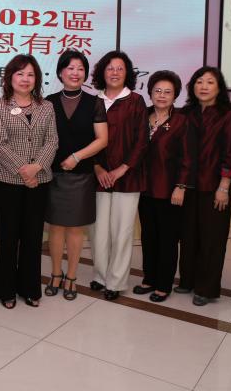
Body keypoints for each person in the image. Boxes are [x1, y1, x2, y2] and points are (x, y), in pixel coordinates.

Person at [0, 54, 57, 309]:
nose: (25, 79)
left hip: (39, 180)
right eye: (20, 74)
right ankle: (5, 289)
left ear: (37, 78)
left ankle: (30, 288)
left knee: (33, 236)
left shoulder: (46, 106)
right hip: (8, 180)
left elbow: (52, 141)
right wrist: (23, 171)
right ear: (10, 78)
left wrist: (36, 167)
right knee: (7, 237)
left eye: (30, 74)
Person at [43, 51, 107, 301]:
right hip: (54, 175)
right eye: (70, 68)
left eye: (80, 68)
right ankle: (55, 274)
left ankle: (71, 276)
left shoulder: (94, 102)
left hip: (81, 175)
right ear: (60, 72)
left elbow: (102, 140)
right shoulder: (48, 102)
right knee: (55, 228)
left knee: (75, 229)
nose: (75, 73)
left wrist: (77, 157)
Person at [176, 66, 231, 306]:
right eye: (199, 81)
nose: (203, 86)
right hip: (188, 185)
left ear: (219, 88)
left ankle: (206, 288)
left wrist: (224, 186)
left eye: (210, 82)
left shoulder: (228, 115)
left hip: (214, 186)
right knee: (189, 235)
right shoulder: (186, 113)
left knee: (212, 238)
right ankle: (188, 280)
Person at [90, 50, 148, 301]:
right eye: (110, 68)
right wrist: (98, 168)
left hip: (128, 177)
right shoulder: (94, 101)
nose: (114, 72)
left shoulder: (136, 101)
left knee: (122, 232)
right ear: (102, 72)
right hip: (99, 177)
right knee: (98, 231)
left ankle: (115, 281)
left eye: (120, 68)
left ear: (127, 73)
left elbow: (141, 140)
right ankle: (100, 275)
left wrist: (122, 168)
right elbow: (86, 139)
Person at [133, 70, 194, 303]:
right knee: (148, 235)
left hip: (169, 189)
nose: (161, 95)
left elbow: (188, 157)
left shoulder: (181, 121)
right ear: (150, 92)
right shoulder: (142, 116)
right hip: (143, 187)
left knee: (167, 238)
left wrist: (181, 186)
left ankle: (163, 284)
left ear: (175, 95)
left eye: (167, 92)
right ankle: (149, 278)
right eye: (157, 91)